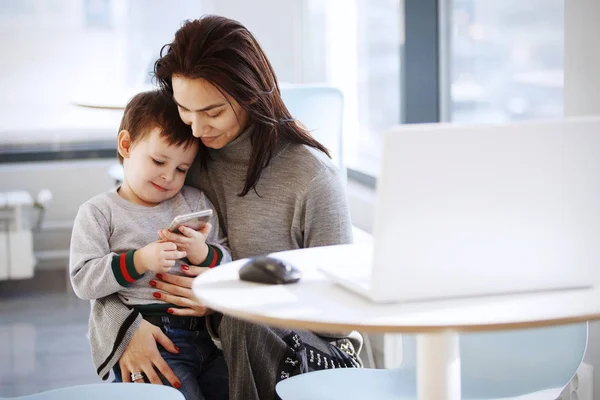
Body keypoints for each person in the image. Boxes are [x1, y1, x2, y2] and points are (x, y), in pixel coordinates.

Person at [89, 15, 362, 400]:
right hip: (207, 352)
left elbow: (339, 317)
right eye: (185, 109)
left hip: (309, 355)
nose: (197, 129)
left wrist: (221, 302)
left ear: (250, 93)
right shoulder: (181, 165)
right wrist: (125, 329)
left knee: (241, 320)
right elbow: (107, 260)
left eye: (212, 112)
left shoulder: (312, 177)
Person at [69, 90, 230, 400]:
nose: (169, 177)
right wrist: (139, 261)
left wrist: (204, 253)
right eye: (158, 161)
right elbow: (83, 280)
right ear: (126, 145)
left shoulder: (194, 201)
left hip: (207, 339)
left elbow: (228, 261)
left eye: (182, 169)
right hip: (152, 338)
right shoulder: (99, 212)